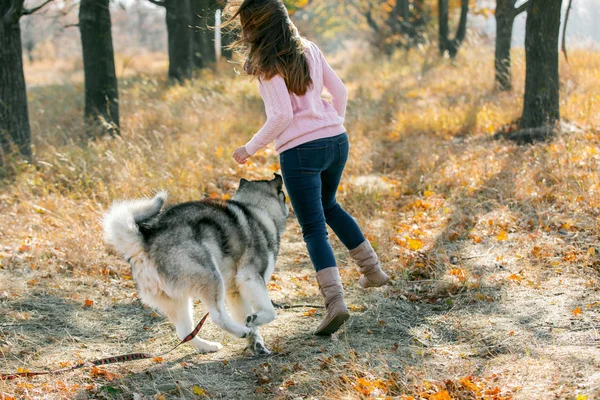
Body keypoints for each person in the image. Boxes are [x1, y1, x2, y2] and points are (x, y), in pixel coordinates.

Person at [228, 0, 389, 336]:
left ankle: (335, 304)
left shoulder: (267, 63)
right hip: (336, 142)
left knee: (313, 226)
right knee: (329, 206)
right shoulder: (309, 48)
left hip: (301, 153)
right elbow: (339, 91)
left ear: (254, 26)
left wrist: (250, 147)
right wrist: (331, 124)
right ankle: (372, 270)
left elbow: (282, 116)